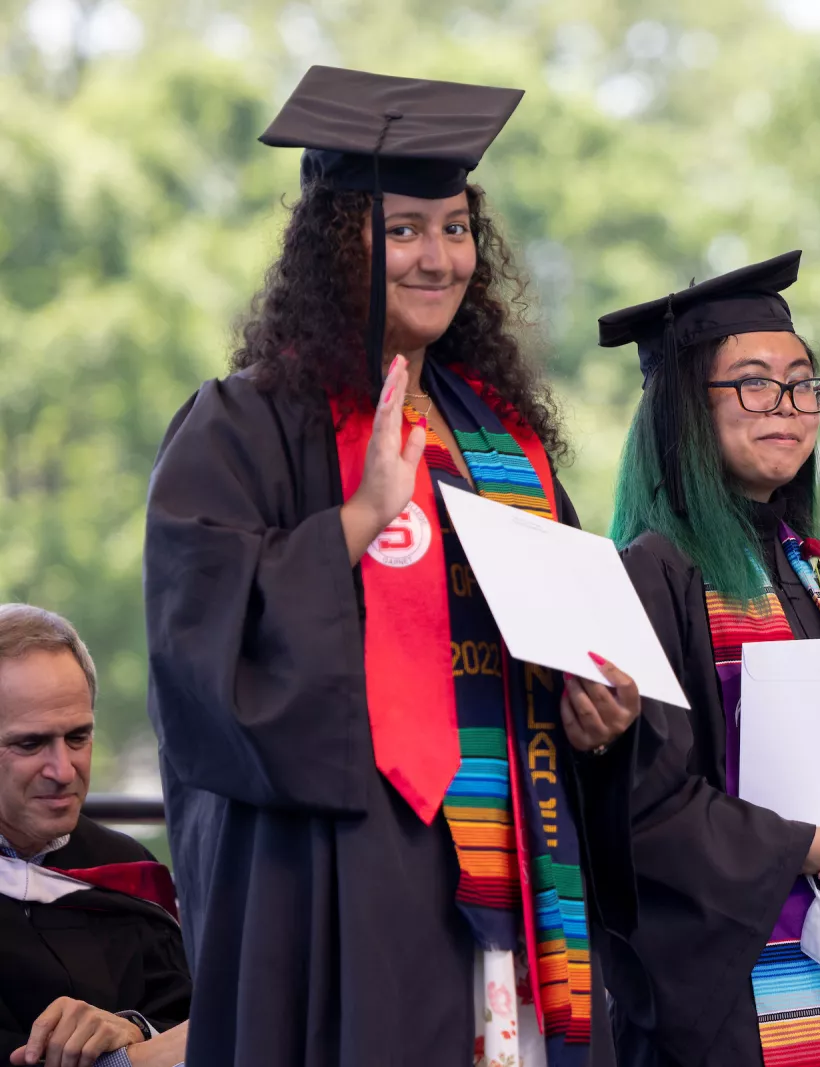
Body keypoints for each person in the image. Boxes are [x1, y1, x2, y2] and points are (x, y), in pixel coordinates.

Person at [143, 67, 636, 1067]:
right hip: (348, 865)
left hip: (522, 852)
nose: (438, 255)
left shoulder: (503, 441)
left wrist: (603, 708)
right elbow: (199, 647)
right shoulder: (241, 422)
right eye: (403, 227)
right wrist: (355, 522)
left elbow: (565, 624)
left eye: (454, 228)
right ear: (335, 247)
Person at [591, 251, 820, 1066]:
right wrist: (813, 845)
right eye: (753, 383)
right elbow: (645, 812)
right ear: (685, 407)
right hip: (734, 1001)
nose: (786, 406)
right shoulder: (655, 574)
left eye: (801, 383)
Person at [0, 604, 190, 1067]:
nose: (63, 770)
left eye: (78, 737)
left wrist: (132, 1028)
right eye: (30, 743)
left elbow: (185, 1018)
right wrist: (125, 1061)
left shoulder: (126, 871)